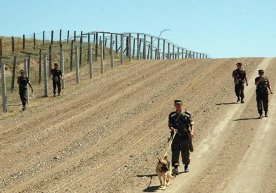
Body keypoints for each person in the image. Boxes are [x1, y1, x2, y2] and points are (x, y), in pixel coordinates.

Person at [168, 99, 194, 175]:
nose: (178, 106)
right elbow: (170, 125)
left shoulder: (187, 114)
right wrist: (172, 128)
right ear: (174, 106)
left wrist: (192, 132)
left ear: (182, 105)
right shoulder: (172, 115)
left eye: (179, 104)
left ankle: (186, 166)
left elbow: (191, 123)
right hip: (175, 136)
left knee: (185, 152)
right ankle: (175, 167)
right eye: (176, 105)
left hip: (185, 136)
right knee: (175, 152)